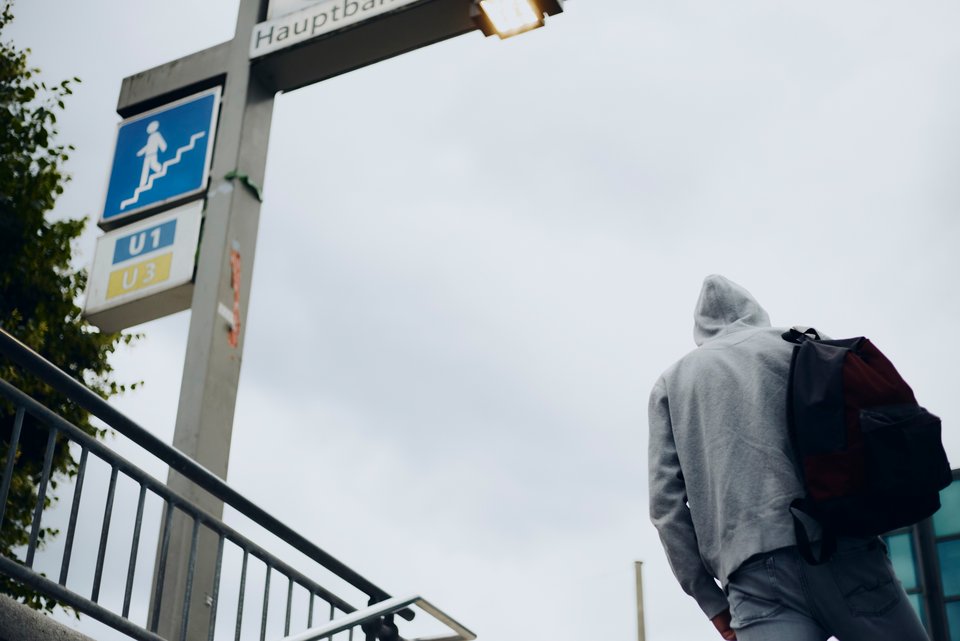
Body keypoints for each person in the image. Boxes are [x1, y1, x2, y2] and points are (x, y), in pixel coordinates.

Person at [647, 274, 928, 641]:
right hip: (844, 550)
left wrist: (711, 601)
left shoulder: (673, 383)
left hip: (755, 582)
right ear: (754, 309)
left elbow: (666, 507)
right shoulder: (802, 341)